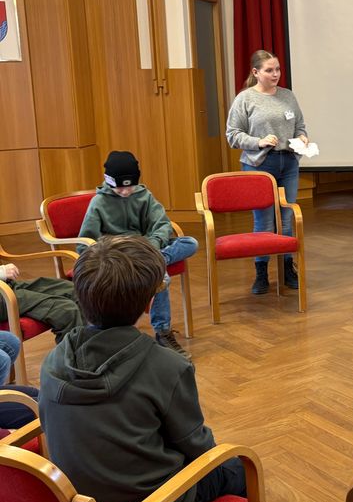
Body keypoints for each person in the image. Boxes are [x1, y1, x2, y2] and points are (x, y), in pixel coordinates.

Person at [38, 236, 303, 502]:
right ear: (148, 304)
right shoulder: (165, 366)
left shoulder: (51, 361)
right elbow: (199, 450)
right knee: (238, 471)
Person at [78, 150, 197, 359]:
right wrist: (117, 251)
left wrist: (150, 248)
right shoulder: (98, 203)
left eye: (130, 186)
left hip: (147, 249)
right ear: (110, 181)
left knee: (190, 243)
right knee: (160, 276)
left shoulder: (144, 196)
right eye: (120, 187)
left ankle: (157, 260)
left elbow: (162, 225)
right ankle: (162, 330)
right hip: (118, 255)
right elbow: (86, 243)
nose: (126, 191)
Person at [226, 50, 308, 296]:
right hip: (259, 165)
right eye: (269, 70)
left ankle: (286, 269)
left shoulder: (288, 96)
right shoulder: (245, 99)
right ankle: (261, 272)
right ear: (256, 72)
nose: (275, 74)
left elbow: (300, 126)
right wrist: (258, 141)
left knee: (286, 218)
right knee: (264, 221)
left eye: (278, 69)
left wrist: (302, 138)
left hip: (288, 163)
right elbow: (232, 135)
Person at [0, 262, 83, 345]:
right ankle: (73, 356)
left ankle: (89, 350)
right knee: (65, 310)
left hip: (6, 283)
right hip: (3, 293)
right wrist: (2, 272)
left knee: (77, 292)